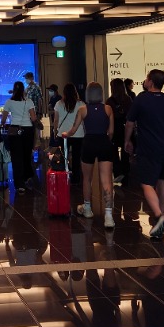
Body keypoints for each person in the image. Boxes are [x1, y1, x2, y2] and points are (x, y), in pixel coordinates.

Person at [124, 69, 164, 240]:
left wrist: (127, 140)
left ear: (150, 81)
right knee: (161, 182)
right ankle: (159, 219)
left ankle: (159, 216)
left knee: (146, 183)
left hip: (148, 148)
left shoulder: (141, 99)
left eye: (146, 78)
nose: (144, 81)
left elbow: (129, 123)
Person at [61, 82, 118, 229]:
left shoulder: (82, 109)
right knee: (107, 180)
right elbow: (111, 131)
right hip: (104, 142)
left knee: (87, 178)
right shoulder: (108, 109)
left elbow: (74, 129)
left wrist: (66, 134)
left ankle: (87, 208)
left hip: (89, 143)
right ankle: (108, 216)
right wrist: (106, 140)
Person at [1, 81, 37, 193]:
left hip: (14, 131)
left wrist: (2, 124)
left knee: (16, 158)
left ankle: (19, 184)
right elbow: (33, 118)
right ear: (23, 90)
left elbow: (3, 118)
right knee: (26, 155)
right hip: (28, 131)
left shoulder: (9, 102)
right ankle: (27, 177)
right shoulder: (29, 101)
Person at [53, 83, 85, 182]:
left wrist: (55, 131)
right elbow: (83, 121)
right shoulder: (81, 104)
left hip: (63, 134)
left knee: (64, 156)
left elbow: (56, 120)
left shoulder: (58, 104)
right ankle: (76, 177)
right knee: (76, 156)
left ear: (64, 92)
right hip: (78, 134)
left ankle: (64, 175)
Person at [106, 78, 132, 184]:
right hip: (126, 127)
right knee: (126, 151)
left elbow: (107, 116)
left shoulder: (109, 101)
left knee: (114, 151)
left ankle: (117, 172)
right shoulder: (128, 99)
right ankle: (126, 172)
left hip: (114, 127)